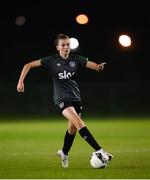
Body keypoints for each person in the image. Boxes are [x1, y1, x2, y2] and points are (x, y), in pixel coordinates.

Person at [17, 33, 113, 168]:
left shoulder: (76, 59)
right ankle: (100, 150)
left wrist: (99, 67)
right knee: (79, 123)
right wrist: (21, 82)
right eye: (63, 45)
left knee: (72, 130)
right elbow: (28, 65)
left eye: (68, 44)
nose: (66, 47)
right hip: (61, 99)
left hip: (75, 97)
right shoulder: (51, 60)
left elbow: (94, 66)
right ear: (58, 47)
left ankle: (64, 152)